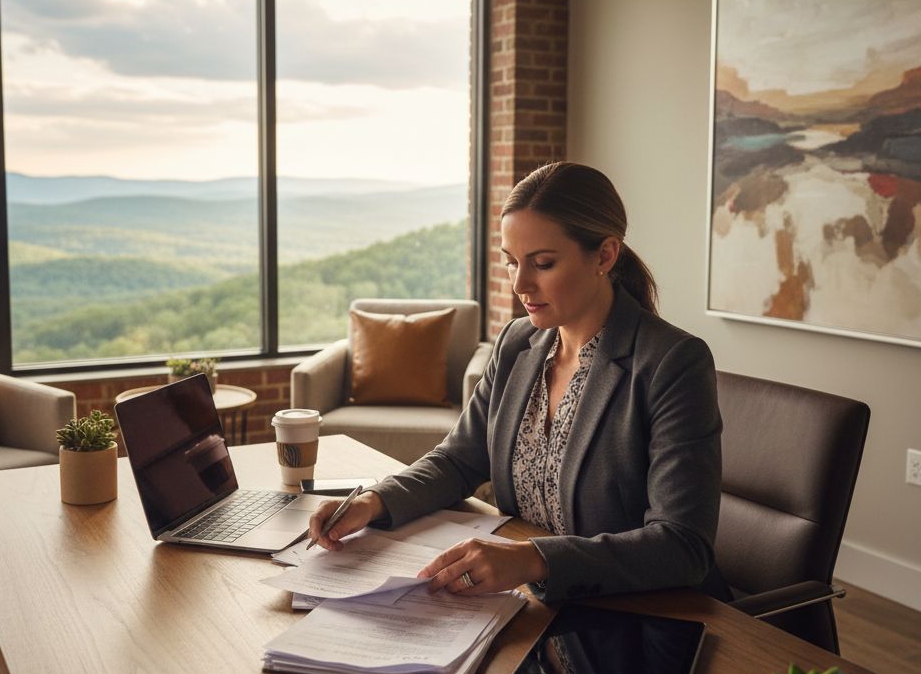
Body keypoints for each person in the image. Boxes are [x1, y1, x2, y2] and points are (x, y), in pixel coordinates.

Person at [308, 162, 729, 604]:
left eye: (543, 264)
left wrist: (533, 560)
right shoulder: (517, 343)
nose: (520, 285)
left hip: (639, 614)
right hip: (528, 603)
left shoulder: (672, 363)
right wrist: (372, 503)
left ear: (605, 255)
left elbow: (683, 546)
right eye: (511, 263)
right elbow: (458, 460)